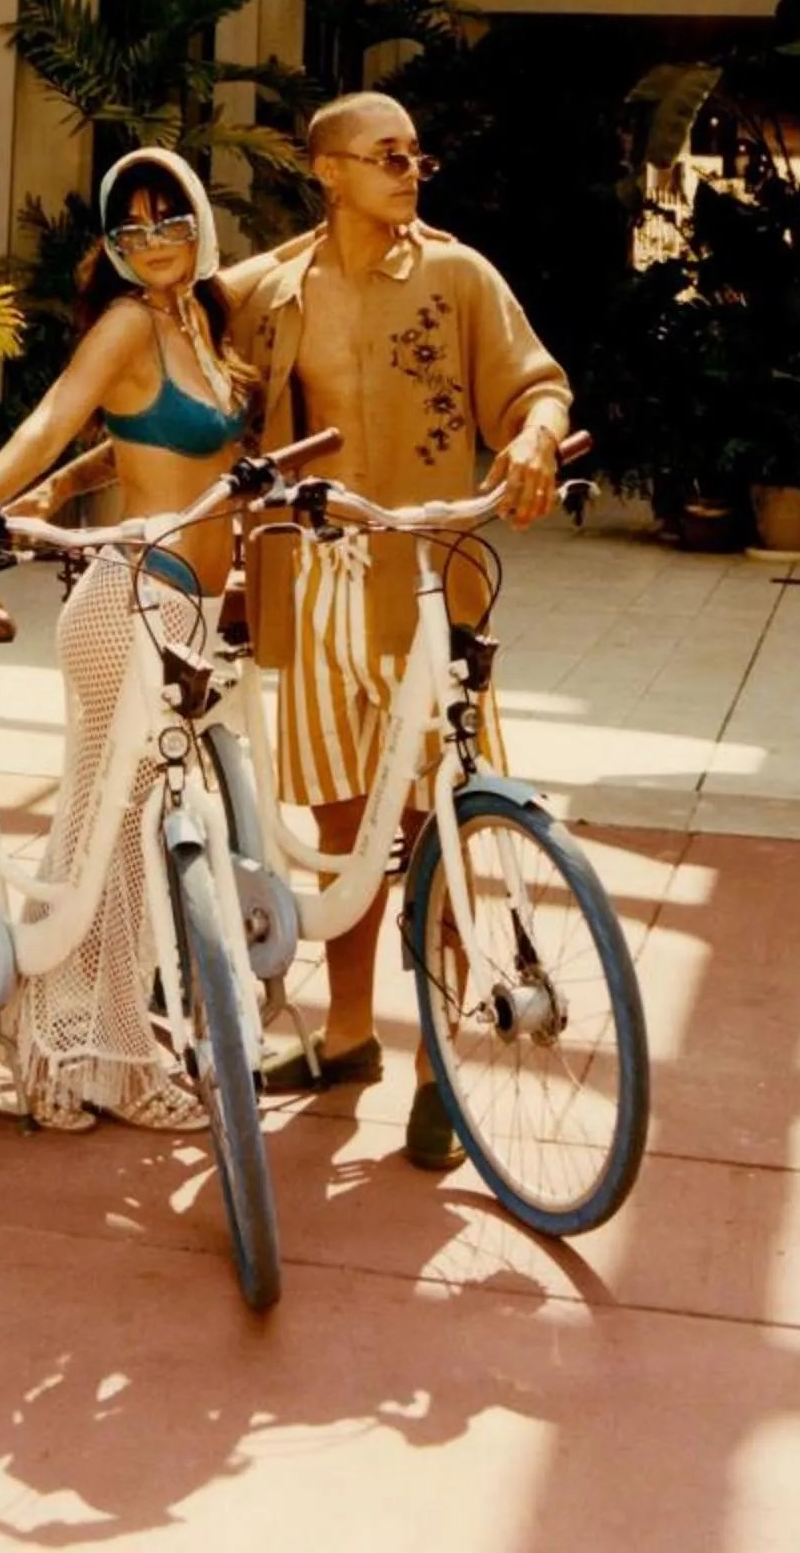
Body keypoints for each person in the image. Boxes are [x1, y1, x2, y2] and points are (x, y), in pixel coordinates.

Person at [219, 89, 572, 1172]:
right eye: (385, 155)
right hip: (317, 584)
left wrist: (532, 443)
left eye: (418, 154)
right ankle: (347, 1036)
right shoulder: (269, 294)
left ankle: (435, 1070)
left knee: (443, 825)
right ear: (324, 170)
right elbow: (176, 349)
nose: (409, 169)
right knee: (341, 828)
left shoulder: (459, 276)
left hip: (428, 585)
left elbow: (536, 386)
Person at [0, 146, 252, 1134]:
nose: (152, 242)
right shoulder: (130, 322)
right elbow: (55, 415)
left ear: (198, 223)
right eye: (128, 228)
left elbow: (142, 438)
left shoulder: (204, 325)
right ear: (110, 245)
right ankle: (109, 1063)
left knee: (109, 842)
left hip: (182, 614)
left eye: (168, 219)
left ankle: (56, 1045)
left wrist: (72, 483)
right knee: (124, 850)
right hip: (129, 605)